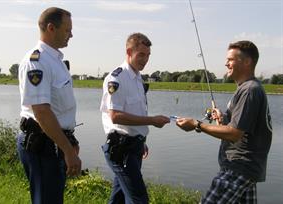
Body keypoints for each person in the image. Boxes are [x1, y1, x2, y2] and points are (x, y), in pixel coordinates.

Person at [176, 40, 272, 204]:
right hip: (246, 170)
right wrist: (223, 119)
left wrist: (197, 125)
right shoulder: (247, 88)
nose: (226, 63)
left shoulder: (249, 90)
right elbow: (238, 129)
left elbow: (234, 134)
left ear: (247, 62)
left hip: (239, 168)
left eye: (230, 59)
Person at [17, 7, 81, 204]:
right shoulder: (36, 61)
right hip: (42, 145)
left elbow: (59, 110)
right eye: (67, 29)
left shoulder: (56, 60)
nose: (71, 34)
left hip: (54, 142)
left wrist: (70, 142)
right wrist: (68, 151)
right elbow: (42, 112)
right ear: (51, 28)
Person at [100, 32, 170, 204]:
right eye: (141, 55)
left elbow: (135, 113)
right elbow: (115, 116)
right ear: (129, 52)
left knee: (118, 198)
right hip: (121, 150)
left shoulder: (138, 78)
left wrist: (141, 139)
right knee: (139, 199)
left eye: (148, 55)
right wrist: (152, 121)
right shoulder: (116, 79)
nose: (145, 59)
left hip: (134, 147)